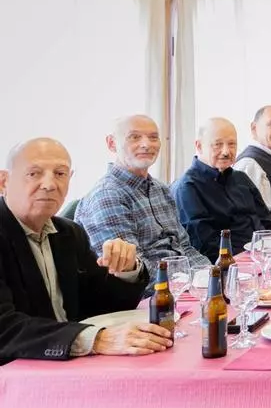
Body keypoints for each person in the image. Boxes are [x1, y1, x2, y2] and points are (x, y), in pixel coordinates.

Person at [0, 138, 171, 363]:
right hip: (17, 372)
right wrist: (94, 339)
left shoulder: (68, 233)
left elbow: (102, 306)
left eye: (60, 174)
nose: (49, 184)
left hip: (70, 364)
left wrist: (127, 270)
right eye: (34, 173)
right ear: (4, 182)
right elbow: (5, 328)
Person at [75, 115, 210, 285]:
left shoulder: (160, 189)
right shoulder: (107, 196)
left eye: (153, 137)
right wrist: (189, 283)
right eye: (134, 137)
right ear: (112, 143)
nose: (146, 144)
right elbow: (134, 273)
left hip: (183, 284)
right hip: (149, 294)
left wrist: (211, 275)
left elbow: (185, 247)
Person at [173, 118, 271, 262]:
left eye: (232, 144)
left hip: (265, 256)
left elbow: (268, 222)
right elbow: (205, 246)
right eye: (217, 144)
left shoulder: (241, 177)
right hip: (230, 264)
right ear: (199, 146)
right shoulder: (187, 188)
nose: (226, 151)